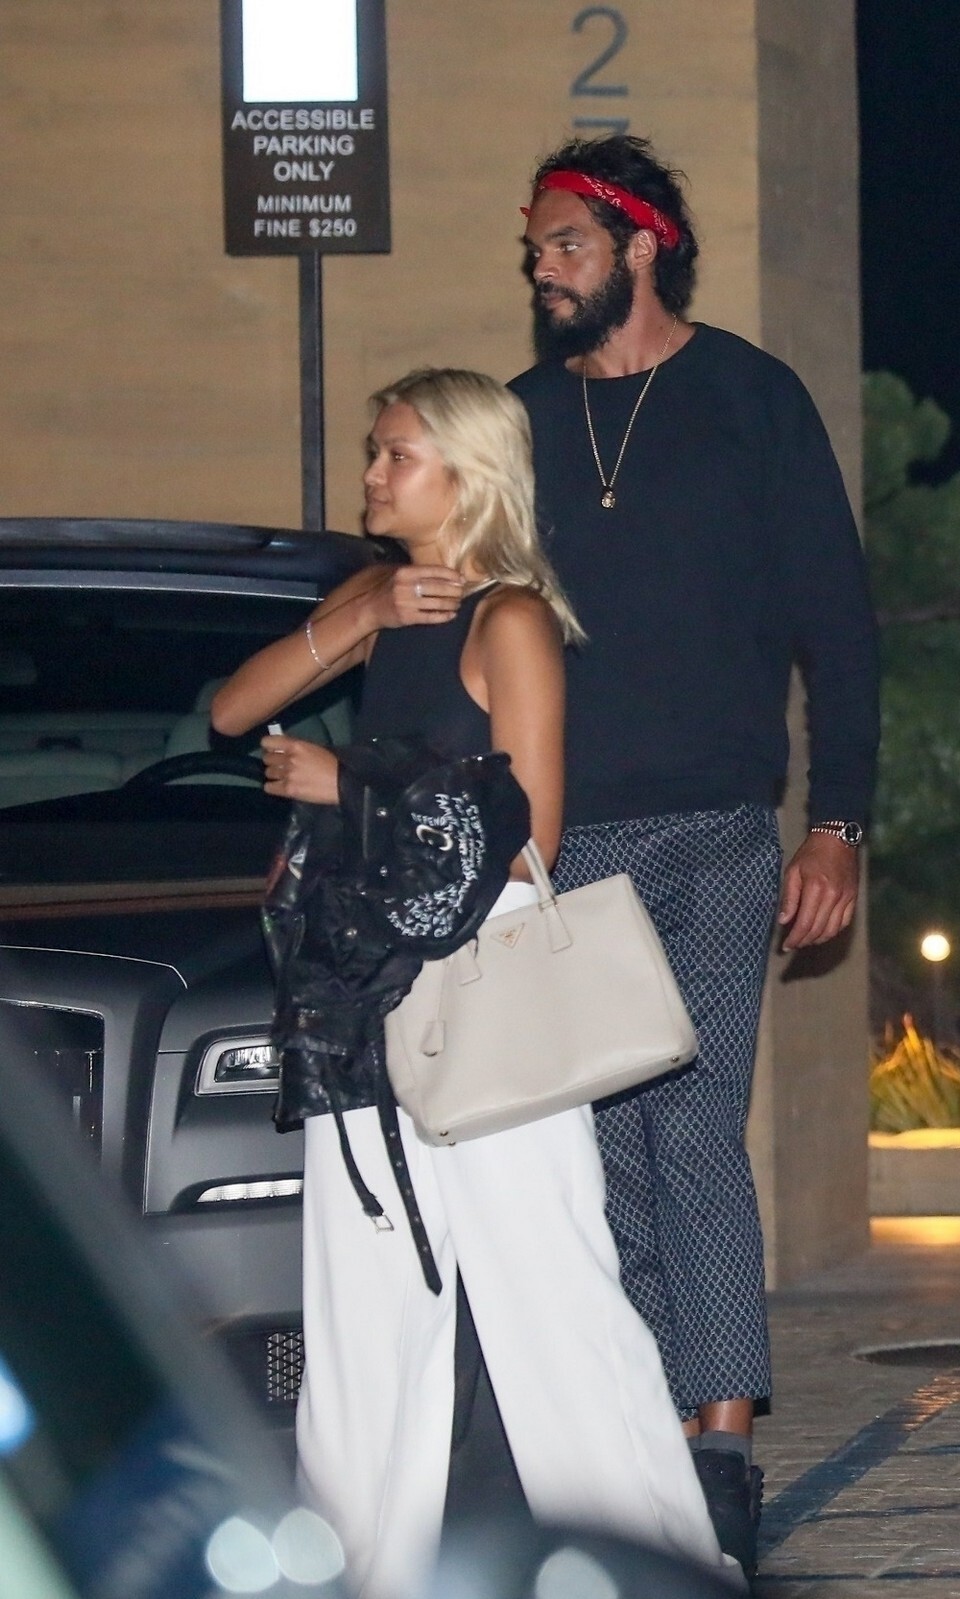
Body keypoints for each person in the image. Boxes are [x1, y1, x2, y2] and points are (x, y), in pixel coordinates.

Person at [212, 370, 728, 1594]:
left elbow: (531, 832)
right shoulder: (377, 603)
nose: (373, 473)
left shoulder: (513, 619)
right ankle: (356, 1573)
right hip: (356, 989)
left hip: (485, 988)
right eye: (375, 451)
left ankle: (659, 1562)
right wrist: (364, 613)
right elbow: (234, 710)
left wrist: (349, 787)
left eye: (398, 454)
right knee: (362, 1313)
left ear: (468, 472)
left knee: (551, 1291)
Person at [509, 134, 880, 1574]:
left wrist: (837, 823)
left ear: (640, 244)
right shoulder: (524, 418)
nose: (544, 269)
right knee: (605, 1149)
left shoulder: (749, 398)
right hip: (563, 843)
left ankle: (720, 1443)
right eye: (535, 250)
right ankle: (650, 1425)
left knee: (690, 1123)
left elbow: (837, 626)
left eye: (566, 244)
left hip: (718, 835)